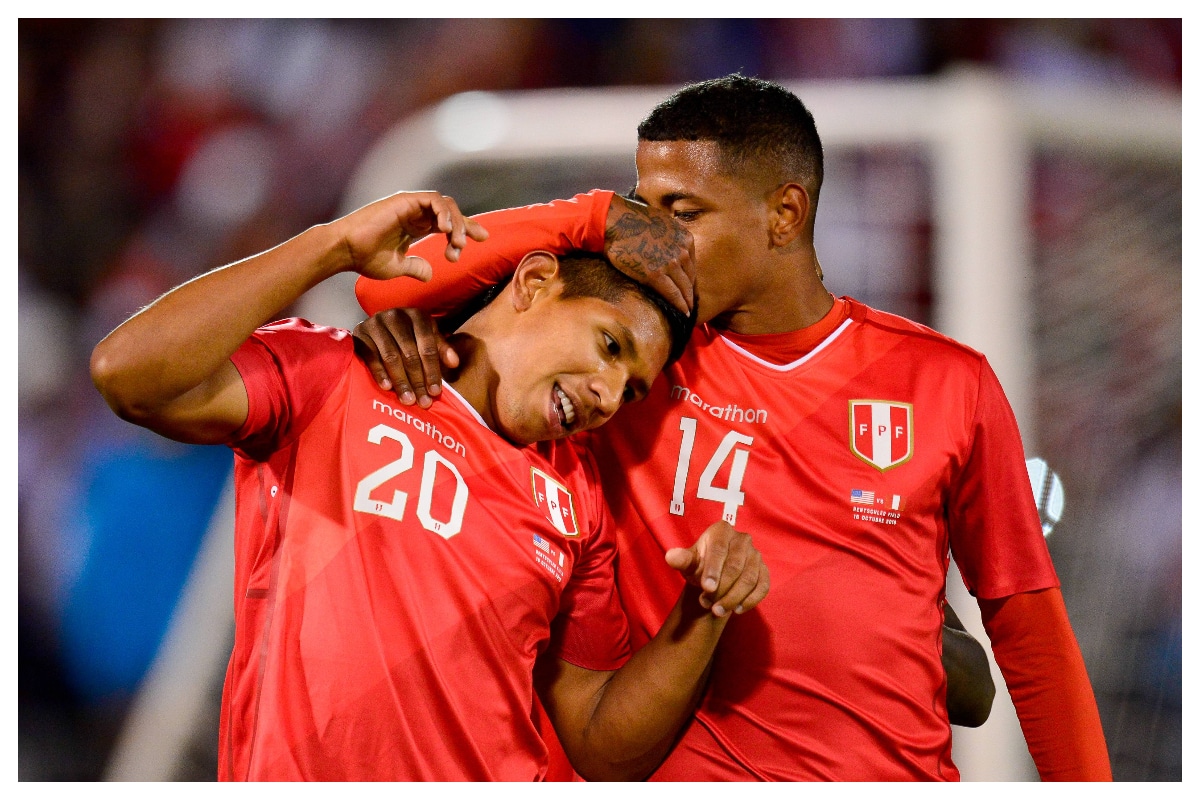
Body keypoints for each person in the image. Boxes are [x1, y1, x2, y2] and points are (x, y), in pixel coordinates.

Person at [353, 75, 1111, 780]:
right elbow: (385, 280)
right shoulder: (624, 362)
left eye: (682, 214)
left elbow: (1027, 625)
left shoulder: (945, 381)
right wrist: (591, 217)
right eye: (640, 210)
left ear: (783, 215)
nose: (655, 243)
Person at [89, 190, 773, 781]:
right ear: (534, 285)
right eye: (610, 346)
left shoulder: (576, 503)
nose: (606, 394)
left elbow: (602, 746)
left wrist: (705, 608)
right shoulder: (340, 377)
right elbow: (128, 374)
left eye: (630, 392)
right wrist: (331, 246)